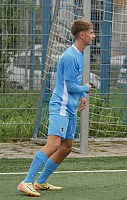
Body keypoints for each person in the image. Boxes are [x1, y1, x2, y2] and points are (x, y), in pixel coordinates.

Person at [17, 19, 94, 197]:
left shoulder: (80, 54)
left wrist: (81, 96)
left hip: (70, 107)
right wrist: (85, 89)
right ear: (82, 35)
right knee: (53, 144)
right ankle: (26, 181)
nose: (93, 35)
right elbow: (70, 87)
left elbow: (73, 82)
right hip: (61, 106)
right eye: (91, 32)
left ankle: (41, 181)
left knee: (66, 146)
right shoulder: (70, 57)